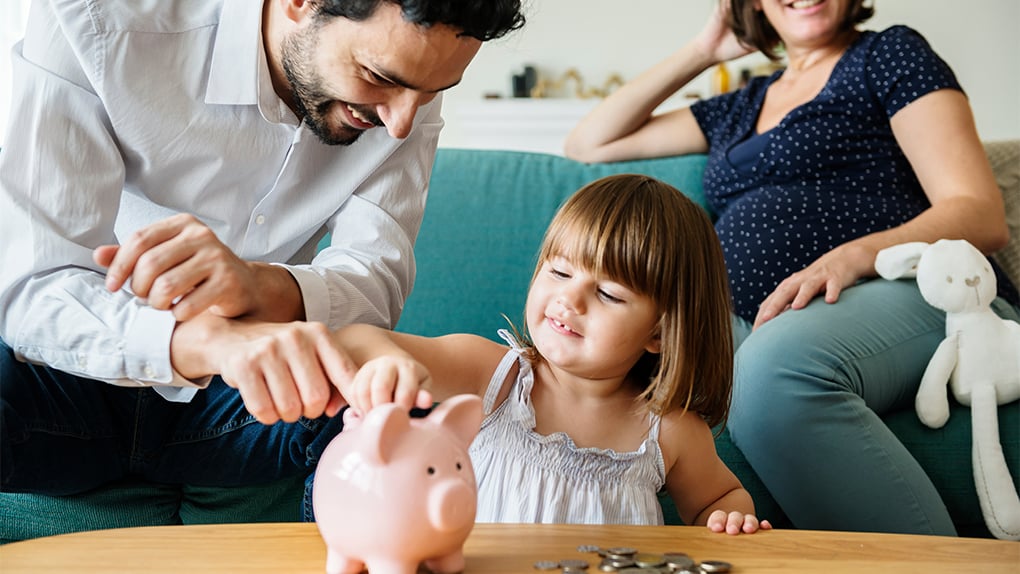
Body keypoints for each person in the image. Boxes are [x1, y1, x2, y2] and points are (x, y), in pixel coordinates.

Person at [0, 0, 524, 502]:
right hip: (71, 381)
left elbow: (373, 285)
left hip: (250, 402)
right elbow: (32, 285)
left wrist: (260, 286)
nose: (402, 122)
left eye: (433, 92)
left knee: (394, 412)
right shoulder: (93, 19)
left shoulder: (407, 91)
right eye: (379, 78)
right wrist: (209, 341)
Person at [563, 0, 1020, 536]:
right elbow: (588, 143)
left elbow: (980, 213)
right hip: (762, 317)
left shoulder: (888, 55)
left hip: (907, 287)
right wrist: (703, 51)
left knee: (770, 378)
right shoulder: (742, 103)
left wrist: (853, 257)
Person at [333, 174, 772, 534]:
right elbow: (357, 341)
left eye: (607, 294)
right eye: (559, 271)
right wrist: (389, 364)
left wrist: (730, 518)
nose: (570, 299)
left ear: (659, 333)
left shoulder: (669, 429)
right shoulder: (493, 376)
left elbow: (719, 499)